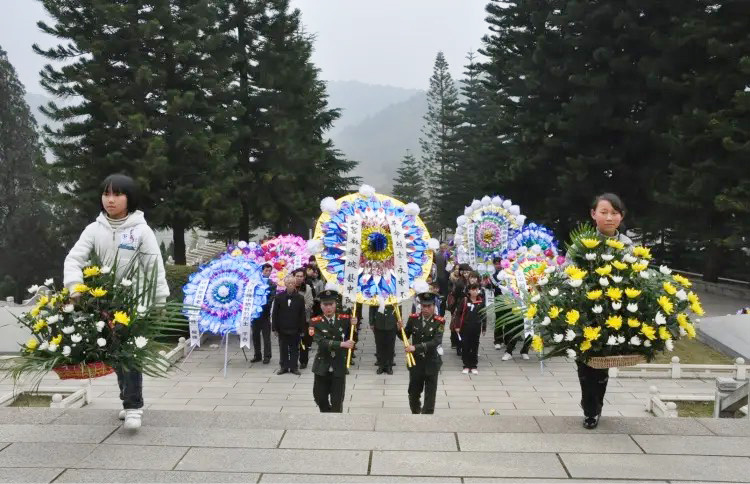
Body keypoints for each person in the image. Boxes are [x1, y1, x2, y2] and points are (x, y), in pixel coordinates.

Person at [63, 174, 169, 430]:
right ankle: (127, 399)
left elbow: (154, 268)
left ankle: (133, 406)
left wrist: (159, 302)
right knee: (115, 355)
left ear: (129, 198)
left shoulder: (141, 230)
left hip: (134, 304)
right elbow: (74, 259)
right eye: (106, 194)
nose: (110, 200)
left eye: (117, 194)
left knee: (129, 355)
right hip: (104, 304)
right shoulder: (94, 229)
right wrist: (75, 287)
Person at [578, 193, 633, 429]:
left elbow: (636, 277)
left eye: (614, 213)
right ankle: (589, 407)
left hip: (613, 314)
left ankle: (595, 407)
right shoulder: (582, 244)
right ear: (593, 214)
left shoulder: (628, 246)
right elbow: (568, 274)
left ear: (621, 216)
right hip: (585, 313)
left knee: (603, 364)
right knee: (585, 364)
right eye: (604, 212)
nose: (609, 217)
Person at [311, 287, 356, 412]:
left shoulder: (344, 319)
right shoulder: (315, 322)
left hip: (338, 366)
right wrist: (342, 344)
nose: (328, 307)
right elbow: (321, 342)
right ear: (321, 306)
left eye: (331, 304)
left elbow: (352, 337)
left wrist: (354, 324)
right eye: (325, 305)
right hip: (322, 365)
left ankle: (335, 420)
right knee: (320, 398)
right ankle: (326, 414)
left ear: (336, 304)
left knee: (337, 401)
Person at [400, 290, 444, 414]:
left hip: (431, 362)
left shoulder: (439, 321)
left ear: (434, 306)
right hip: (416, 363)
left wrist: (416, 347)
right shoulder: (413, 319)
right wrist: (399, 329)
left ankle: (427, 417)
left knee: (430, 395)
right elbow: (405, 336)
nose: (425, 309)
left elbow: (436, 341)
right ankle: (415, 413)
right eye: (423, 306)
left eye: (429, 306)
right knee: (413, 393)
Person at [271, 275, 306, 375]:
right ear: (285, 284)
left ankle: (294, 367)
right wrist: (274, 328)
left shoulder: (300, 298)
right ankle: (284, 366)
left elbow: (302, 315)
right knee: (283, 348)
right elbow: (275, 314)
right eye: (288, 283)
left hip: (295, 328)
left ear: (295, 284)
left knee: (294, 348)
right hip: (282, 328)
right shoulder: (279, 297)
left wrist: (302, 329)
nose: (290, 285)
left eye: (292, 283)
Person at [454, 283, 486, 374]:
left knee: (475, 346)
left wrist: (484, 328)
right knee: (465, 346)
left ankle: (474, 365)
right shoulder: (464, 300)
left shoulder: (481, 301)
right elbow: (458, 314)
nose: (475, 291)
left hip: (476, 327)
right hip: (465, 327)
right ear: (469, 291)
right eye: (473, 289)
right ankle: (466, 365)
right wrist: (457, 326)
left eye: (476, 290)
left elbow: (484, 315)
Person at [250, 263, 275, 364]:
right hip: (255, 314)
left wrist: (262, 304)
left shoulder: (272, 284)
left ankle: (267, 356)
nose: (267, 273)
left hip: (265, 314)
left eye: (269, 271)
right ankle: (257, 355)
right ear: (262, 271)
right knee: (255, 335)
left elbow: (271, 298)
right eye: (266, 271)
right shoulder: (255, 282)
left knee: (266, 337)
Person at [293, 268, 314, 369]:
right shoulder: (289, 286)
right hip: (291, 320)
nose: (299, 278)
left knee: (303, 341)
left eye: (301, 276)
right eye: (297, 276)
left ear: (304, 277)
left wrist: (297, 308)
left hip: (304, 319)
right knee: (293, 341)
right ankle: (292, 361)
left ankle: (303, 361)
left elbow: (309, 304)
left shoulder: (307, 288)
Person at [448, 264, 471, 355]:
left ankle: (464, 345)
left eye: (467, 272)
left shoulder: (471, 281)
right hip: (460, 306)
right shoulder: (459, 283)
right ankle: (458, 345)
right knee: (458, 325)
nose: (465, 274)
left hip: (469, 306)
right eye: (464, 272)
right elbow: (455, 295)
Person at [369, 305, 397, 374]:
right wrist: (371, 322)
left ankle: (389, 366)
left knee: (390, 346)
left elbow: (398, 306)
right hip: (379, 322)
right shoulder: (377, 297)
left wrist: (399, 320)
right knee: (379, 345)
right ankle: (381, 365)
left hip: (391, 322)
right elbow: (372, 308)